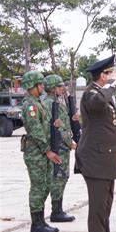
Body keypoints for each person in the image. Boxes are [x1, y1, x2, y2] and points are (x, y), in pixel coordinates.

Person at [75, 55, 116, 232]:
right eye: (109, 73)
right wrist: (113, 84)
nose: (113, 76)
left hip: (106, 160)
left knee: (104, 208)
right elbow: (98, 104)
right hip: (95, 161)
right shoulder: (91, 94)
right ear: (102, 75)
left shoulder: (102, 94)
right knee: (97, 211)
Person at [21, 71, 61, 232]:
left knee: (45, 186)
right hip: (36, 153)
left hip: (41, 152)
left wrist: (55, 123)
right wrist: (47, 151)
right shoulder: (30, 105)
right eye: (40, 84)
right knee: (38, 187)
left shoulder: (38, 103)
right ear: (32, 86)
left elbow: (44, 125)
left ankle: (41, 220)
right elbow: (35, 130)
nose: (43, 87)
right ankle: (36, 223)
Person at [42, 74, 76, 222]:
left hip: (62, 146)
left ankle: (58, 209)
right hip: (59, 146)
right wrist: (70, 143)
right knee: (59, 177)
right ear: (52, 88)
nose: (63, 88)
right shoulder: (50, 104)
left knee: (61, 177)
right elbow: (58, 127)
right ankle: (56, 211)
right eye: (59, 86)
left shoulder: (56, 103)